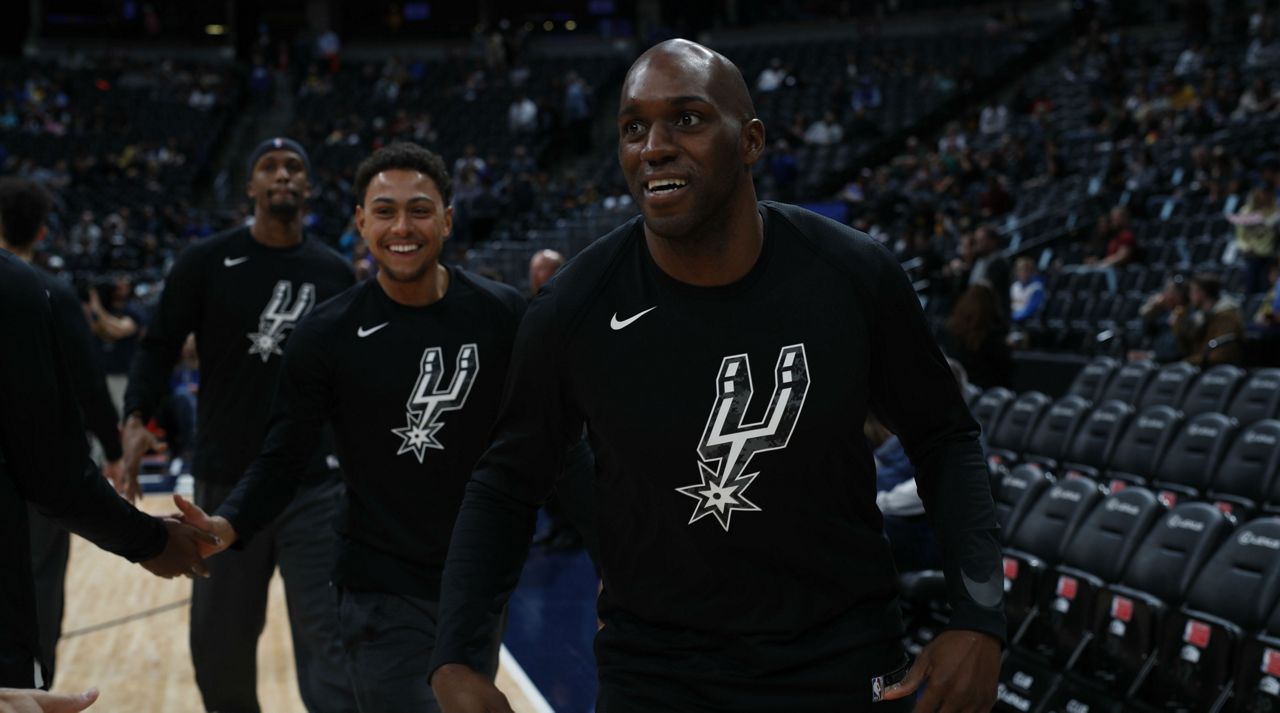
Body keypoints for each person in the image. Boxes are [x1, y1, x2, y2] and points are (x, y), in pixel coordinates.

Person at [430, 39, 1003, 713]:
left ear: (752, 140)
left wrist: (980, 613)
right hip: (657, 675)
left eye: (689, 119)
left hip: (840, 662)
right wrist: (459, 655)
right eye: (632, 128)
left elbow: (945, 437)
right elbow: (505, 480)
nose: (655, 146)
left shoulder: (854, 275)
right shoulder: (573, 308)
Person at [173, 143, 525, 712]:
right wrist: (229, 523)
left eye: (419, 209)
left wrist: (611, 558)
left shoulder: (503, 315)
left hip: (476, 584)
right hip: (377, 587)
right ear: (360, 221)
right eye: (385, 211)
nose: (402, 227)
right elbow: (285, 456)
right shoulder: (325, 334)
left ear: (448, 219)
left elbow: (549, 446)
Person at [120, 138, 356, 713]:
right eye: (268, 168)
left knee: (332, 645)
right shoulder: (204, 263)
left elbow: (356, 379)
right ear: (249, 187)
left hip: (313, 486)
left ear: (308, 187)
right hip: (226, 485)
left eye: (294, 168)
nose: (282, 176)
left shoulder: (335, 272)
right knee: (220, 648)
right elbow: (157, 347)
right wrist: (135, 418)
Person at [0, 252, 215, 689]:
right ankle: (41, 671)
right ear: (41, 231)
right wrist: (150, 540)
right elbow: (54, 477)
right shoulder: (24, 288)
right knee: (41, 577)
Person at [0, 178, 126, 686]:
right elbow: (89, 381)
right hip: (40, 467)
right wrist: (115, 452)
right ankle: (34, 684)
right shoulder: (52, 290)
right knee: (40, 581)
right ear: (45, 231)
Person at [941, 284, 1014, 389]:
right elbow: (1006, 370)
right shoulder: (993, 336)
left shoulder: (950, 332)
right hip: (988, 393)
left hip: (957, 390)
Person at [1174, 272, 1245, 366]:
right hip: (1202, 364)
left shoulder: (1227, 316)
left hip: (1218, 369)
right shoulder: (1201, 316)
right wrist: (1178, 322)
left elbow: (1221, 354)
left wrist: (1187, 362)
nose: (1189, 296)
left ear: (1201, 293)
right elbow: (1187, 347)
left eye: (1192, 291)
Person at [1229, 185, 1280, 294]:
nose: (1263, 196)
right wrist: (1246, 247)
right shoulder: (1245, 212)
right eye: (1261, 193)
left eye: (1266, 193)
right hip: (1251, 255)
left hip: (1270, 255)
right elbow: (1240, 237)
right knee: (1250, 285)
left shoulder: (1276, 211)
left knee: (1266, 287)